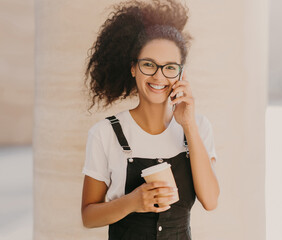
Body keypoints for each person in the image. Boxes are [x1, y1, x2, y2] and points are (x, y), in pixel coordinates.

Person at [81, 0, 220, 239]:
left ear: (181, 73)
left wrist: (188, 126)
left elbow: (211, 200)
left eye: (169, 67)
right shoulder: (105, 133)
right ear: (133, 68)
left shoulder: (199, 127)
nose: (159, 76)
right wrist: (132, 202)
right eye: (149, 65)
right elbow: (88, 216)